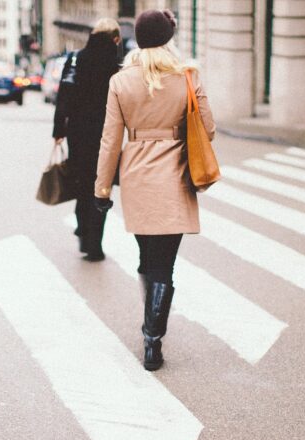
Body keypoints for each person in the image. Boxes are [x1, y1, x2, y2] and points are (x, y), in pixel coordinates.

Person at [94, 9, 216, 371]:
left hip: (137, 178)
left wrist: (102, 188)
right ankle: (152, 339)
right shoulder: (187, 77)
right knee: (165, 264)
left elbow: (110, 140)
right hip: (175, 178)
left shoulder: (121, 81)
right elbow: (208, 129)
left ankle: (151, 327)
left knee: (148, 260)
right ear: (167, 38)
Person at [52, 18, 122, 261]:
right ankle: (95, 245)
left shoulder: (74, 59)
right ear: (114, 39)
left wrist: (58, 130)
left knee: (82, 184)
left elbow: (64, 97)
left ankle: (83, 231)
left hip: (79, 135)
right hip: (107, 137)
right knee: (102, 189)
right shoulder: (116, 65)